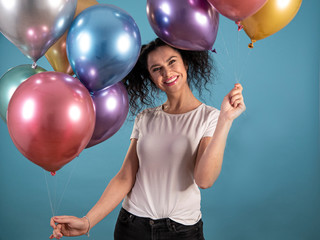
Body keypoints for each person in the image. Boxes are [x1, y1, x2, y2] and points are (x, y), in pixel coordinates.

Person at [49, 38, 246, 240]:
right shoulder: (145, 117)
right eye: (156, 69)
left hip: (182, 231)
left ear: (185, 62)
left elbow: (204, 180)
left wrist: (225, 119)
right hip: (132, 227)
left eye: (172, 62)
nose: (167, 73)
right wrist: (87, 221)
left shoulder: (210, 117)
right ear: (151, 77)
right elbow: (125, 177)